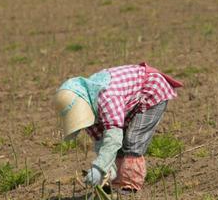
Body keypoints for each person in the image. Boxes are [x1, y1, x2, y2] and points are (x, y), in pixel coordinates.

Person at [53, 62, 183, 193]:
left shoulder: (107, 97)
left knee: (133, 140)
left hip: (152, 90)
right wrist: (106, 170)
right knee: (117, 146)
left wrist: (99, 167)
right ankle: (117, 182)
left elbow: (114, 138)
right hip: (129, 100)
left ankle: (130, 184)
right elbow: (102, 142)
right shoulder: (89, 115)